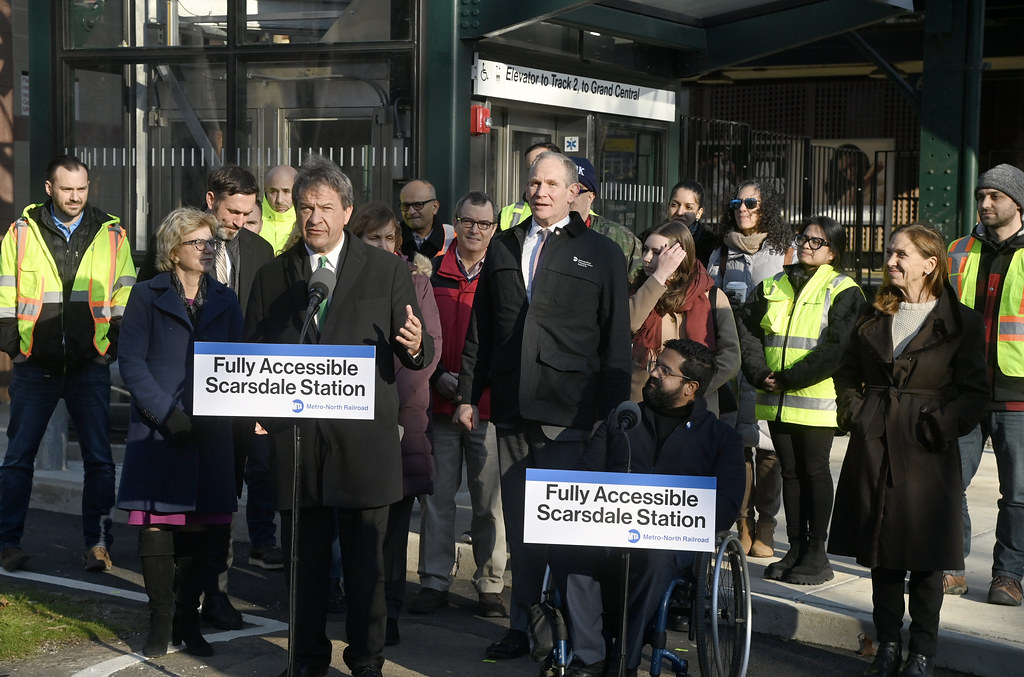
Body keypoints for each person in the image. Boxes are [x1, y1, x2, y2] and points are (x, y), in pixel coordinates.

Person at [246, 154, 432, 677]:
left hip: (364, 443)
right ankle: (305, 659)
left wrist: (418, 347)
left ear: (347, 211)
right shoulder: (272, 275)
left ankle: (367, 659)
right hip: (297, 438)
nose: (315, 218)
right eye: (306, 207)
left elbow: (417, 348)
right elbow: (255, 349)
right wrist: (258, 407)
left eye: (326, 207)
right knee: (302, 564)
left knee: (365, 565)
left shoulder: (388, 269)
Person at [456, 151, 630, 675]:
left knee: (570, 535)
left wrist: (610, 412)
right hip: (511, 410)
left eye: (553, 183)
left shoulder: (602, 253)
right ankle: (521, 629)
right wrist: (469, 393)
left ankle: (585, 645)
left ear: (575, 191)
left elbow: (614, 344)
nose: (541, 191)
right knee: (524, 530)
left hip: (573, 415)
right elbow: (481, 332)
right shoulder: (504, 245)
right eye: (534, 182)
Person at [830, 224, 988, 677]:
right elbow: (845, 373)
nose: (892, 261)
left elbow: (975, 392)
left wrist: (941, 424)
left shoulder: (962, 322)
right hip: (875, 441)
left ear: (930, 263)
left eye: (902, 254)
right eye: (890, 253)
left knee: (926, 557)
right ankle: (887, 646)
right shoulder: (871, 313)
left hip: (926, 449)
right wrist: (857, 413)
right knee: (881, 553)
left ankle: (922, 652)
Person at [115, 207, 243, 658]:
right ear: (174, 249)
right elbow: (131, 361)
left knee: (201, 529)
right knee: (157, 527)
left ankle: (189, 620)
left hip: (211, 432)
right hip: (159, 429)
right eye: (198, 243)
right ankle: (160, 619)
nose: (208, 250)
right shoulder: (146, 295)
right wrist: (165, 414)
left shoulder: (226, 299)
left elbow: (239, 364)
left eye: (213, 243)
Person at [576, 339, 745, 675]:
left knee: (653, 556)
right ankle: (588, 653)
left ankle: (625, 657)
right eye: (656, 365)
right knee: (567, 549)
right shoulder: (623, 419)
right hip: (607, 530)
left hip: (669, 544)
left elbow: (725, 506)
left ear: (690, 388)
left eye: (665, 371)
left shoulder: (721, 438)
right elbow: (584, 481)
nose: (652, 373)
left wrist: (666, 517)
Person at [0, 154, 136, 574]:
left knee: (99, 460)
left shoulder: (112, 234)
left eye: (81, 188)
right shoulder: (20, 233)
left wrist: (106, 349)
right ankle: (7, 544)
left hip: (87, 366)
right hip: (33, 366)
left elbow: (124, 297)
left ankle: (97, 545)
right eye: (66, 189)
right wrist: (14, 348)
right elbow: (4, 295)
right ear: (49, 188)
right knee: (18, 459)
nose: (75, 197)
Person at [736, 216, 863, 585]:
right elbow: (747, 328)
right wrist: (759, 372)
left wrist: (791, 378)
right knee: (789, 474)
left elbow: (837, 348)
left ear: (833, 253)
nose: (807, 245)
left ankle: (816, 553)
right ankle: (794, 548)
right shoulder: (774, 284)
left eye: (817, 242)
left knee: (814, 472)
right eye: (804, 238)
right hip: (775, 398)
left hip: (816, 402)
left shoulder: (843, 288)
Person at [349, 201, 443, 646]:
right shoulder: (344, 279)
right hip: (350, 415)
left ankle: (390, 614)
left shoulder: (417, 281)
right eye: (374, 238)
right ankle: (356, 607)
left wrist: (388, 405)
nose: (385, 246)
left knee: (393, 527)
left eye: (391, 238)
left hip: (401, 417)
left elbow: (428, 350)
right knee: (355, 525)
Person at [412, 190, 507, 619]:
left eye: (484, 224)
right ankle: (433, 580)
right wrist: (438, 378)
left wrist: (473, 386)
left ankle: (490, 583)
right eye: (468, 221)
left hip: (486, 406)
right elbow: (419, 335)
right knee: (438, 498)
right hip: (439, 401)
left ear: (494, 228)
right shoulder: (430, 273)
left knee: (489, 503)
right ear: (455, 222)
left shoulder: (504, 273)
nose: (475, 230)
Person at [200, 165, 276, 628]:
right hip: (197, 395)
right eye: (233, 212)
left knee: (229, 496)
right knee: (201, 499)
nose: (240, 223)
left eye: (249, 214)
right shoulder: (183, 241)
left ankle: (218, 593)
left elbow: (266, 326)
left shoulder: (260, 249)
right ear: (211, 200)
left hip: (245, 391)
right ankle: (195, 591)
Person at [946, 163, 1024, 606]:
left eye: (995, 196)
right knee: (948, 482)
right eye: (981, 196)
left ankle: (1008, 576)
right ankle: (951, 569)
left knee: (1017, 494)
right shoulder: (958, 250)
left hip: (1018, 393)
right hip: (964, 389)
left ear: (1018, 202)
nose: (986, 203)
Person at [708, 178, 793, 558]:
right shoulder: (720, 253)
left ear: (766, 208)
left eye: (751, 203)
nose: (742, 208)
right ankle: (741, 522)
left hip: (769, 363)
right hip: (731, 363)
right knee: (739, 444)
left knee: (770, 448)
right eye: (737, 202)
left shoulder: (785, 253)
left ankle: (767, 524)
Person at [629, 220, 739, 415]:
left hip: (695, 407)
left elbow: (731, 357)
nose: (646, 258)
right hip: (644, 404)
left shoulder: (712, 296)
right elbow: (630, 322)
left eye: (656, 252)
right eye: (645, 249)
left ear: (679, 256)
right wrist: (660, 276)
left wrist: (695, 388)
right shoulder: (638, 291)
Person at [568, 156, 643, 278]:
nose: (568, 196)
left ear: (591, 196)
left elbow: (635, 289)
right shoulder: (541, 233)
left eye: (577, 190)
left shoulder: (620, 239)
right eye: (563, 187)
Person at [499, 141, 560, 230]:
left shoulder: (578, 209)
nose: (536, 172)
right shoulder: (509, 213)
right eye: (531, 169)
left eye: (542, 166)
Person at [666, 179, 721, 266]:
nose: (680, 212)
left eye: (688, 207)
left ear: (699, 213)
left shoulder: (710, 245)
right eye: (674, 205)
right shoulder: (652, 237)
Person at [398, 179, 454, 259]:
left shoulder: (454, 237)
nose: (411, 211)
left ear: (434, 207)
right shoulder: (390, 237)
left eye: (418, 204)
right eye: (405, 206)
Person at [261, 164, 298, 255]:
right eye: (273, 192)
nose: (279, 200)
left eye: (286, 191)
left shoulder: (306, 220)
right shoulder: (250, 217)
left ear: (297, 190)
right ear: (265, 190)